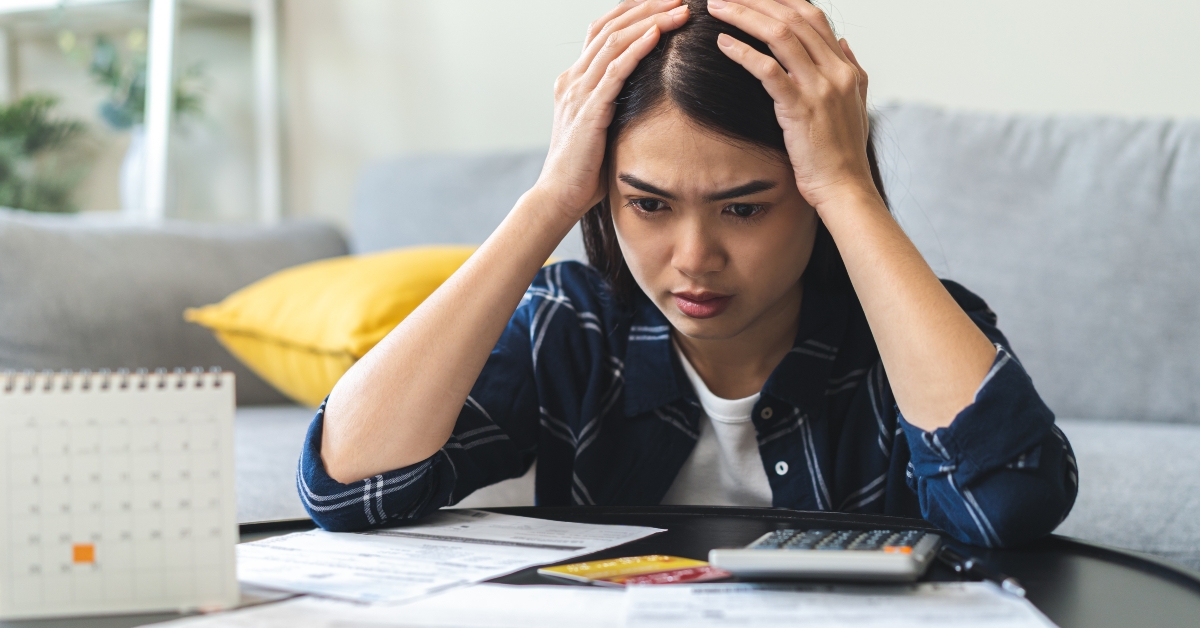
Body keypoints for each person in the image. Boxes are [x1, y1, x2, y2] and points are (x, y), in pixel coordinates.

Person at [299, 0, 1077, 547]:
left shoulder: (906, 348)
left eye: (744, 209)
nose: (694, 258)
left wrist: (848, 188)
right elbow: (347, 486)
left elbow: (1005, 507)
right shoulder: (573, 328)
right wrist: (548, 202)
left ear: (809, 193)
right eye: (648, 204)